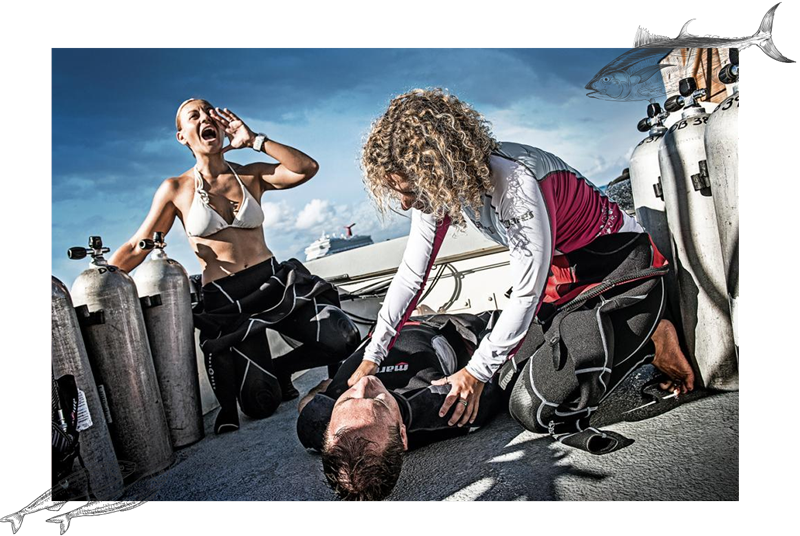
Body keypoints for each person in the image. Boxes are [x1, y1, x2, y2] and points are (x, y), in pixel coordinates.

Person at [350, 88, 695, 432]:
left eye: (409, 191)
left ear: (438, 170)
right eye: (397, 192)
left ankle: (653, 331)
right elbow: (412, 276)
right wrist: (372, 356)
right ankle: (623, 335)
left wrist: (474, 373)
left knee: (535, 409)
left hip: (616, 272)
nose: (405, 203)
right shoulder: (439, 192)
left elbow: (527, 293)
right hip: (562, 287)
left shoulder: (514, 180)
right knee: (503, 380)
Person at [108, 98, 360, 434]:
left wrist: (256, 140)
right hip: (227, 300)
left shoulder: (250, 174)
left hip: (274, 283)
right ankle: (269, 379)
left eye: (208, 112)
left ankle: (280, 369)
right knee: (261, 404)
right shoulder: (175, 189)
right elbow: (137, 244)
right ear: (182, 136)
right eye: (192, 116)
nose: (204, 119)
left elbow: (306, 168)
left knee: (342, 338)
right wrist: (106, 275)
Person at [297, 311, 506, 501]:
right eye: (379, 402)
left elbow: (309, 404)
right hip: (433, 322)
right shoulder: (440, 406)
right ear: (402, 434)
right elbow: (489, 382)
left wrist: (327, 387)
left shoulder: (317, 420)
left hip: (380, 325)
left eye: (347, 400)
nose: (363, 383)